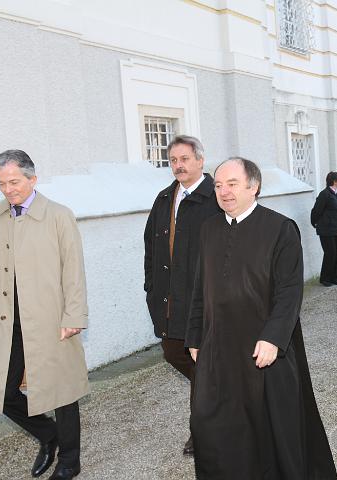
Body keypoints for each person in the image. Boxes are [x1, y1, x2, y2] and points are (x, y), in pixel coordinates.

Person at [185, 157, 337, 479]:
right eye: (218, 185)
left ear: (253, 187)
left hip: (263, 350)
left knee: (268, 430)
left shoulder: (280, 229)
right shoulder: (208, 229)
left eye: (232, 184)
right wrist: (195, 335)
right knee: (210, 423)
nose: (224, 192)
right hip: (219, 349)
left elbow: (289, 292)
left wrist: (273, 337)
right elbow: (200, 288)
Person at [0, 150, 89, 480]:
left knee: (63, 392)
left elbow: (74, 269)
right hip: (7, 322)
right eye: (1, 184)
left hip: (52, 320)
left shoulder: (58, 215)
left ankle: (70, 460)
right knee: (5, 392)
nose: (8, 190)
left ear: (32, 179)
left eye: (14, 182)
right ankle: (48, 434)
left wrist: (74, 314)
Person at [143, 135, 220, 455]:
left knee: (199, 360)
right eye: (173, 160)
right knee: (174, 353)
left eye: (184, 159)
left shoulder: (217, 197)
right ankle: (220, 393)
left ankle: (201, 432)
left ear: (200, 161)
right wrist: (150, 286)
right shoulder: (164, 198)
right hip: (170, 300)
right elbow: (151, 246)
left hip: (206, 300)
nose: (178, 165)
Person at [310, 171, 337, 286]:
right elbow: (316, 211)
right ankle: (325, 279)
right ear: (334, 181)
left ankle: (334, 278)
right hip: (326, 230)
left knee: (336, 254)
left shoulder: (336, 194)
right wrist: (314, 223)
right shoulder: (324, 194)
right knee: (330, 253)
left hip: (335, 230)